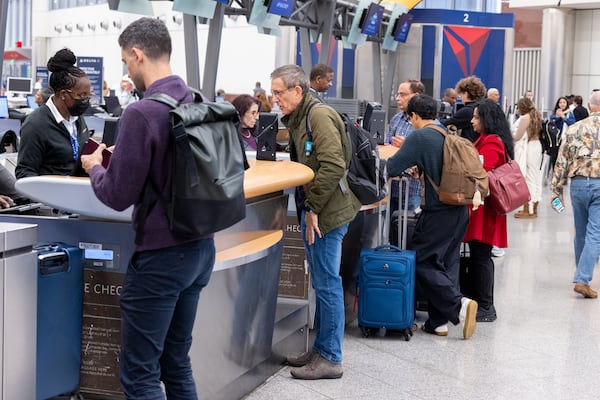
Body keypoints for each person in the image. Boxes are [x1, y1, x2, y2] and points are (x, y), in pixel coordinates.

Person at [81, 17, 216, 399]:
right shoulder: (198, 100)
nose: (127, 69)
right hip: (201, 249)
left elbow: (118, 195)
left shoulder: (141, 113)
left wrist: (95, 168)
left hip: (160, 256)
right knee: (176, 362)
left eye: (126, 61)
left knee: (140, 374)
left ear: (137, 55)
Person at [271, 64, 360, 379]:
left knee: (327, 284)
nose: (275, 99)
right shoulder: (300, 117)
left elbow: (334, 164)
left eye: (279, 92)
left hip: (326, 213)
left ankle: (331, 358)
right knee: (323, 283)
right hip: (321, 209)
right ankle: (322, 349)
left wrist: (312, 208)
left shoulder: (317, 116)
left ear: (297, 90)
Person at [386, 94, 478, 339]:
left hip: (438, 212)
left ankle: (459, 305)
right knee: (447, 263)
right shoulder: (445, 132)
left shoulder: (420, 135)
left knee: (423, 261)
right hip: (459, 209)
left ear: (414, 116)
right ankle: (438, 322)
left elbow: (392, 167)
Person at [463, 99, 514, 322]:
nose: (472, 120)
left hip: (483, 210)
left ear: (486, 119)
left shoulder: (492, 142)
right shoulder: (487, 140)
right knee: (478, 256)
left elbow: (484, 173)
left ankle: (486, 306)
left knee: (481, 256)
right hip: (481, 208)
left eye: (476, 117)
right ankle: (480, 302)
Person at [551, 90, 600, 299]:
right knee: (595, 232)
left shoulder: (573, 128)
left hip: (578, 185)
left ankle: (581, 275)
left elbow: (562, 161)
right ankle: (582, 278)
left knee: (580, 230)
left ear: (589, 107)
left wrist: (556, 191)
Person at [15, 48, 91, 179]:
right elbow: (24, 173)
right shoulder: (35, 125)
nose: (86, 100)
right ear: (63, 94)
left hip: (78, 191)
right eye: (82, 95)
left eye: (89, 94)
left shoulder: (77, 118)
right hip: (50, 196)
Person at [386, 79, 425, 212]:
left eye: (403, 94)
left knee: (410, 229)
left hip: (413, 189)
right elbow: (387, 145)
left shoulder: (427, 122)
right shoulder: (396, 119)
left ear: (416, 96)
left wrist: (406, 146)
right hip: (392, 187)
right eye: (397, 94)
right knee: (390, 228)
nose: (398, 98)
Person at [513, 98, 543, 218]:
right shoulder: (537, 115)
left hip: (529, 148)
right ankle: (534, 208)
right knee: (535, 177)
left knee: (528, 178)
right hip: (537, 146)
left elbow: (517, 136)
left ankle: (527, 208)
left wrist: (509, 133)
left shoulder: (525, 118)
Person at [443, 76, 486, 143]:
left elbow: (446, 123)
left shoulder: (467, 110)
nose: (461, 98)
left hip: (470, 148)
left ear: (466, 94)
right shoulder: (482, 107)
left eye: (461, 94)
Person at [549, 96, 576, 180]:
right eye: (560, 102)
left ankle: (564, 176)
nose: (562, 104)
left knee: (565, 158)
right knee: (555, 157)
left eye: (564, 102)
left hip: (566, 139)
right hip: (556, 139)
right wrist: (559, 116)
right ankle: (555, 174)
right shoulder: (555, 114)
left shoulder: (570, 114)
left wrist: (563, 116)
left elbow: (572, 124)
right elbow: (552, 120)